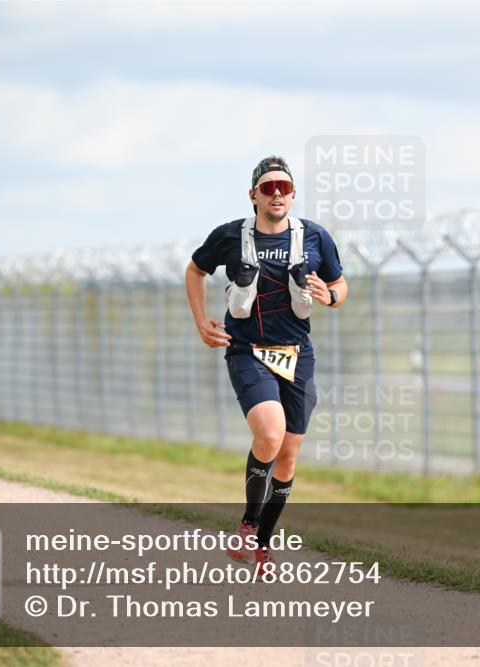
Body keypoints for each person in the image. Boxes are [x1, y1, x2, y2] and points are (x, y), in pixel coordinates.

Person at [185, 155, 348, 576]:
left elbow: (339, 285)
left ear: (293, 194)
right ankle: (248, 523)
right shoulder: (229, 236)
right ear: (253, 194)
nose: (277, 194)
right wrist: (201, 321)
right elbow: (195, 269)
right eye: (269, 187)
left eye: (285, 187)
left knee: (289, 456)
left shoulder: (314, 236)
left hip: (297, 354)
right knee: (270, 433)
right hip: (247, 351)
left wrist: (329, 297)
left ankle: (261, 545)